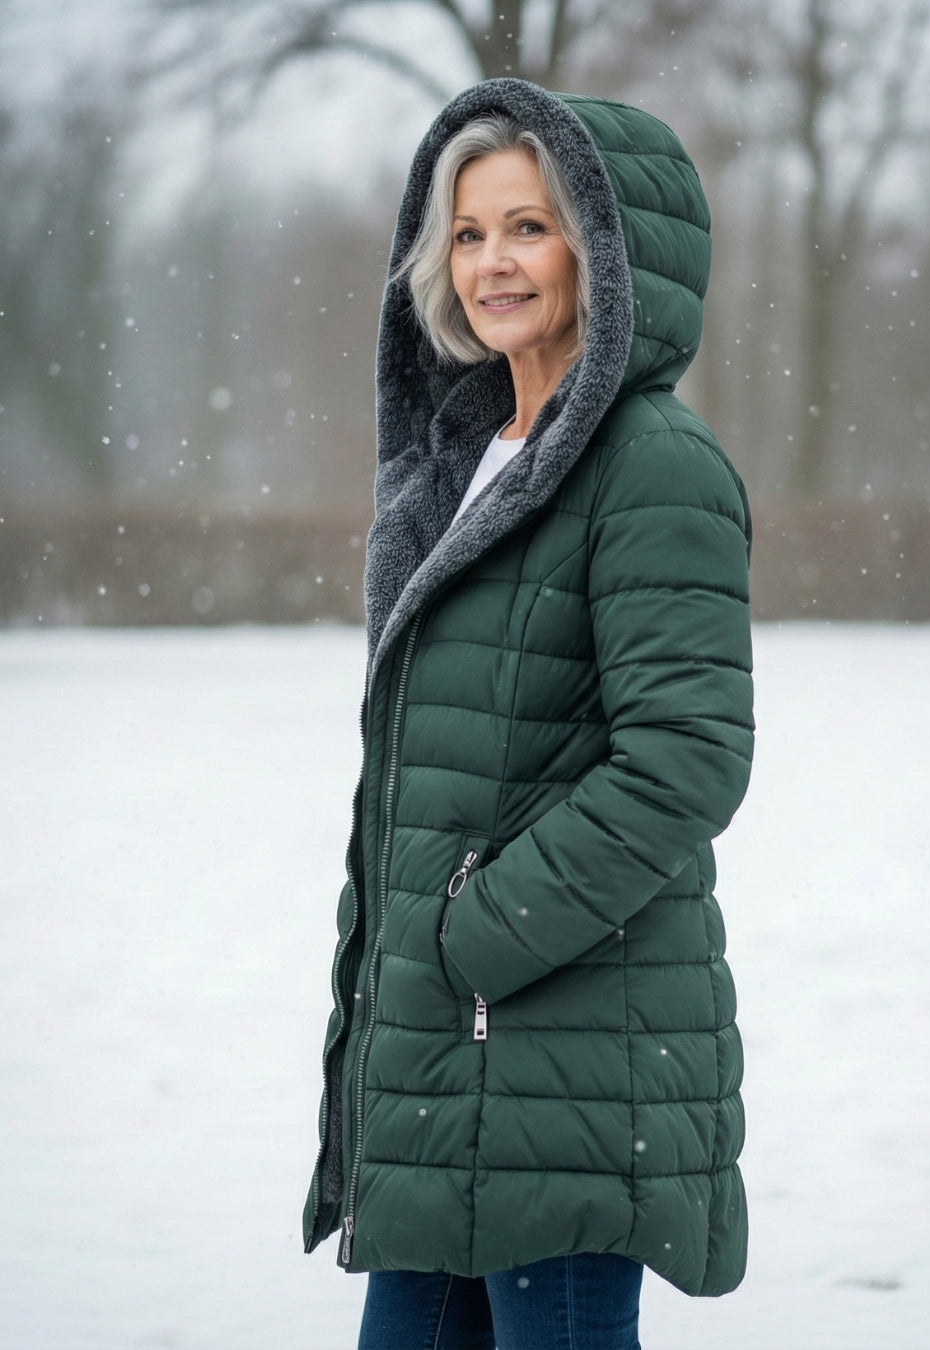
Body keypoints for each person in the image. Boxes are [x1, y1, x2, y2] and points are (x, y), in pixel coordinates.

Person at [302, 78, 755, 1350]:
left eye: (530, 226)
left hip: (563, 1053)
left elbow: (686, 757)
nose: (493, 261)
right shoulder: (468, 459)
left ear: (605, 251)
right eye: (467, 232)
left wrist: (476, 933)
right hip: (451, 1068)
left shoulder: (650, 462)